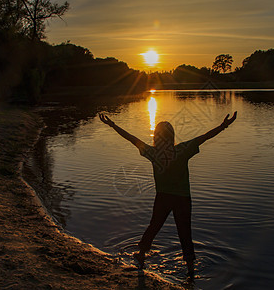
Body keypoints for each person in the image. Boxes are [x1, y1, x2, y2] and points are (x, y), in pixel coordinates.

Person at [99, 111, 237, 278]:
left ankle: (142, 254)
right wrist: (224, 125)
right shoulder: (182, 150)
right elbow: (205, 136)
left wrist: (112, 125)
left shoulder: (153, 153)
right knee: (185, 232)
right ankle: (190, 268)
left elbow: (131, 138)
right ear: (172, 136)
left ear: (156, 137)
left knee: (154, 226)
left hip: (163, 197)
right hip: (182, 199)